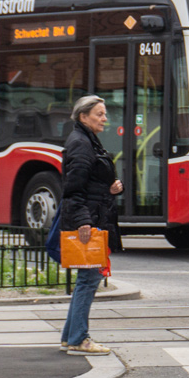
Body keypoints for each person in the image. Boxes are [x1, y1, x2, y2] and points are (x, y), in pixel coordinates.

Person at [59, 95, 122, 356]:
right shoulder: (81, 144)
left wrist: (113, 187)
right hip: (90, 221)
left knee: (87, 278)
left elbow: (91, 181)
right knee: (89, 278)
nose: (104, 118)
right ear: (83, 116)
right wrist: (84, 220)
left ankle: (69, 336)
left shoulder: (87, 141)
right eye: (99, 114)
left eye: (104, 113)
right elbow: (73, 190)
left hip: (95, 215)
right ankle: (78, 339)